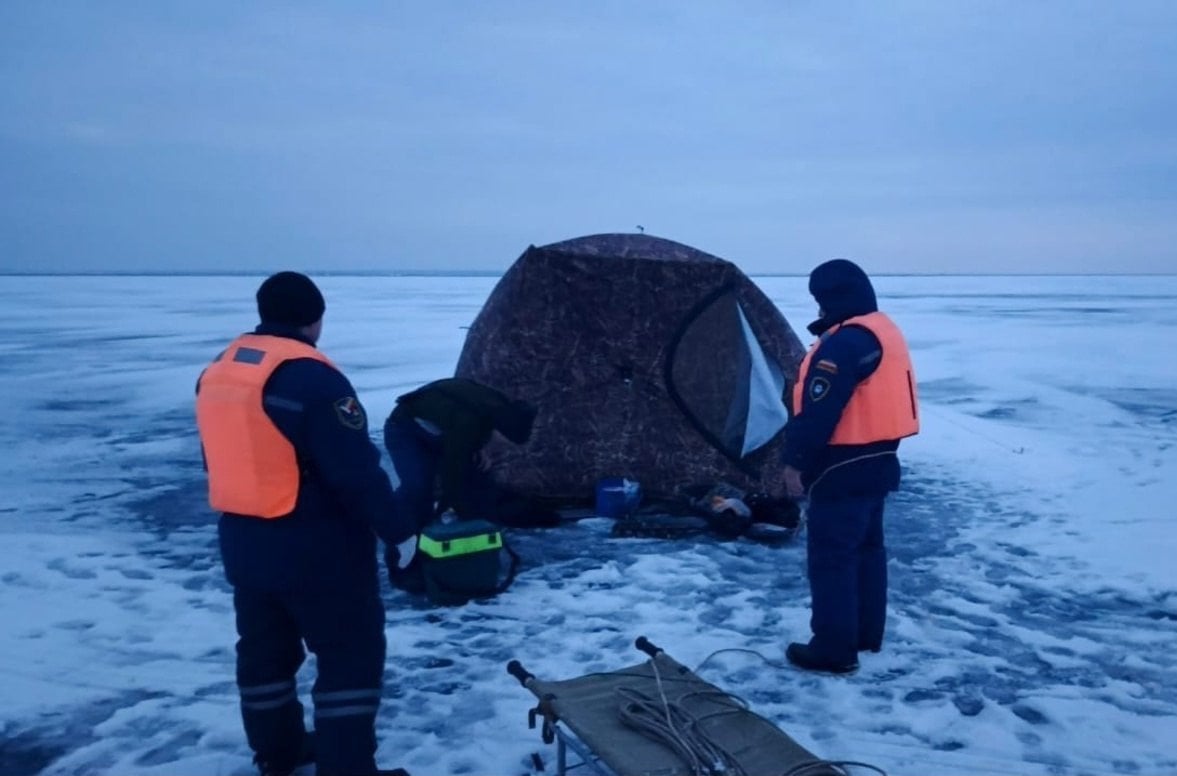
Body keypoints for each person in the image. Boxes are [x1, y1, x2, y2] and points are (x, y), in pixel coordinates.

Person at [195, 271, 416, 776]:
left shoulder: (219, 372)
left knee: (265, 654)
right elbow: (355, 473)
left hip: (244, 542)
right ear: (315, 319)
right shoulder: (313, 379)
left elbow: (220, 457)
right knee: (349, 656)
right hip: (318, 549)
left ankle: (278, 751)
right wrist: (399, 532)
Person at [781, 259, 920, 674]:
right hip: (880, 460)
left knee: (832, 557)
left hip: (841, 465)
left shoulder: (844, 344)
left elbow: (821, 411)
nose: (818, 309)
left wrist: (795, 464)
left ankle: (834, 649)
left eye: (820, 300)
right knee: (867, 550)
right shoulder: (880, 331)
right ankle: (864, 634)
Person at [382, 377, 536, 544]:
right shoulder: (469, 423)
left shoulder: (499, 407)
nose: (505, 448)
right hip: (403, 429)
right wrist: (460, 513)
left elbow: (469, 423)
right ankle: (390, 523)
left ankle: (424, 527)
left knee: (474, 475)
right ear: (501, 432)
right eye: (507, 443)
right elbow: (452, 473)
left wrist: (477, 446)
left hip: (438, 429)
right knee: (418, 485)